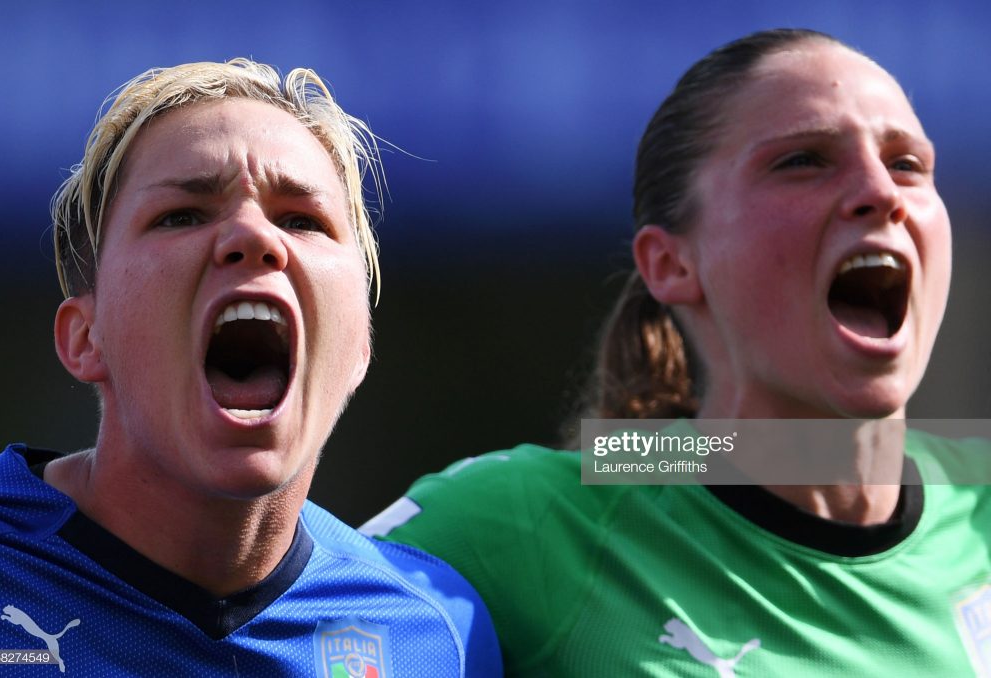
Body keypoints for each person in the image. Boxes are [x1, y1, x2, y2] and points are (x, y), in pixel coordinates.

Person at [364, 29, 991, 676]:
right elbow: (293, 624)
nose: (882, 192)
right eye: (803, 160)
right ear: (671, 263)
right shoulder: (527, 519)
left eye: (908, 164)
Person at [0, 59, 500, 676]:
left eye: (302, 220)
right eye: (183, 215)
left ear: (359, 348)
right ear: (86, 338)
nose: (252, 234)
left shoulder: (436, 637)